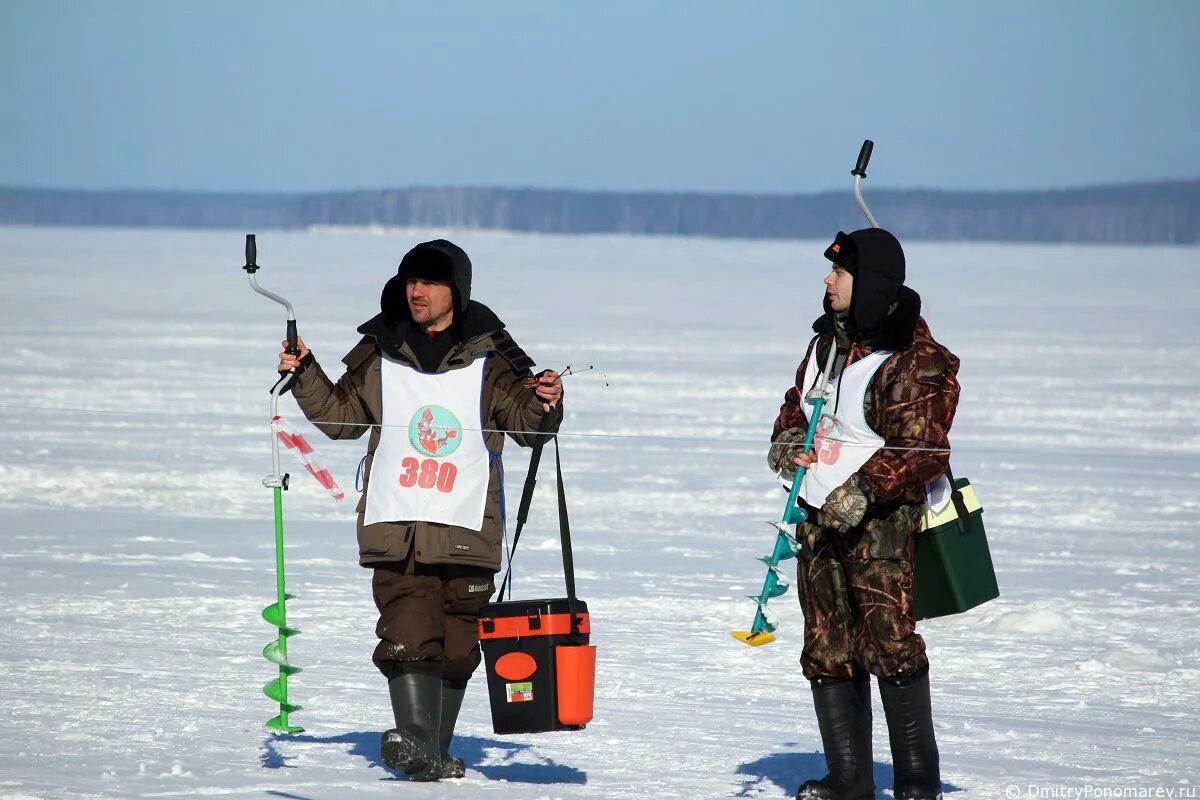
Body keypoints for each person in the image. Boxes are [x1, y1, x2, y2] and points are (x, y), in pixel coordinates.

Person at [276, 239, 563, 781]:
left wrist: (546, 402)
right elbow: (342, 419)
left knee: (458, 647)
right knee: (408, 633)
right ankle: (415, 741)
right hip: (397, 525)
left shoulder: (492, 358)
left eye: (429, 282)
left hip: (469, 526)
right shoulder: (381, 349)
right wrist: (306, 373)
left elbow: (527, 428)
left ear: (456, 291)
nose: (416, 291)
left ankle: (432, 750)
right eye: (410, 281)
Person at [767, 228, 960, 800]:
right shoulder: (825, 344)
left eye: (839, 274)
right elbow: (794, 407)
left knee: (889, 643)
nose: (827, 282)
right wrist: (787, 444)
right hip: (816, 517)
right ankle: (849, 779)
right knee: (827, 644)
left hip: (882, 525)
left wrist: (859, 493)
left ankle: (917, 783)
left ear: (869, 283)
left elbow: (922, 448)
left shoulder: (915, 358)